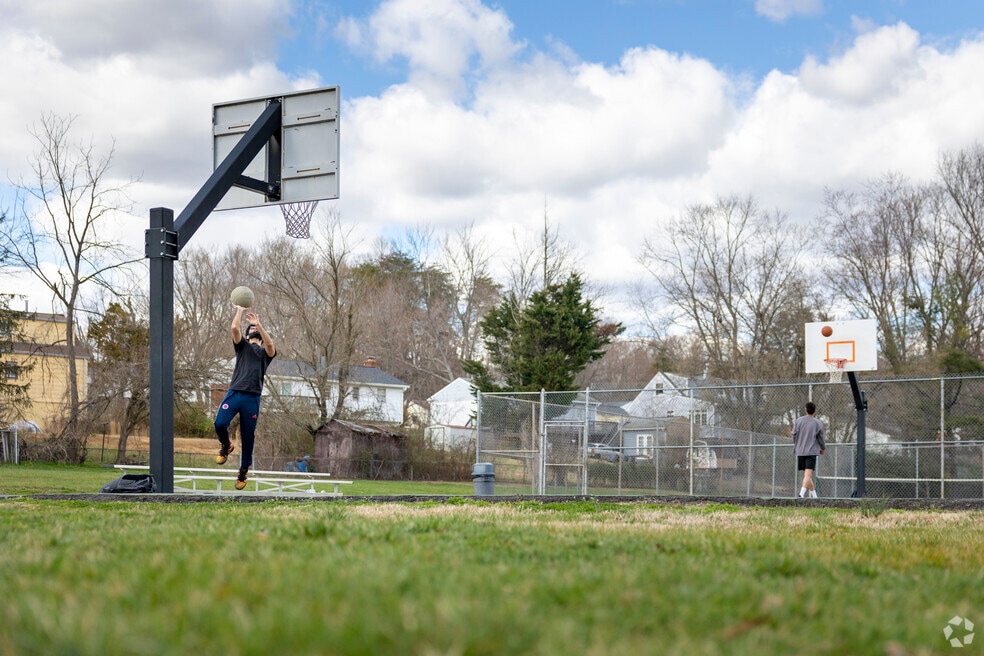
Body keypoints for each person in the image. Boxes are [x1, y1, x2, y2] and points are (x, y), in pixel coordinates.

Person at [214, 305, 277, 490]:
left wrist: (259, 324)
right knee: (219, 424)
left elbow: (271, 345)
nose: (254, 329)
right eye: (252, 328)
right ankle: (226, 445)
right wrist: (239, 311)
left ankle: (243, 471)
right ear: (248, 335)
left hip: (252, 398)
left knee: (248, 437)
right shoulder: (242, 346)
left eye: (256, 328)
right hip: (235, 392)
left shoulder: (266, 354)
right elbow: (234, 329)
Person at [792, 401, 826, 498]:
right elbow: (821, 438)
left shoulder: (798, 421)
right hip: (811, 452)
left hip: (800, 451)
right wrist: (822, 448)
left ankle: (815, 497)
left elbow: (794, 434)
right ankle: (801, 495)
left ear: (805, 410)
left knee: (807, 476)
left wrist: (797, 444)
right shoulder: (818, 423)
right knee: (808, 476)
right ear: (815, 411)